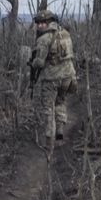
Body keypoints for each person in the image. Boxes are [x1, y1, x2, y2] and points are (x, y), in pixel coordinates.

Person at [29, 9, 76, 148]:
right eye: (38, 23)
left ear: (49, 22)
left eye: (43, 22)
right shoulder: (66, 34)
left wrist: (31, 62)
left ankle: (49, 141)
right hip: (68, 76)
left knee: (48, 108)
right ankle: (60, 133)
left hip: (52, 78)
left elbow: (40, 62)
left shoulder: (44, 39)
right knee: (60, 102)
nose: (39, 25)